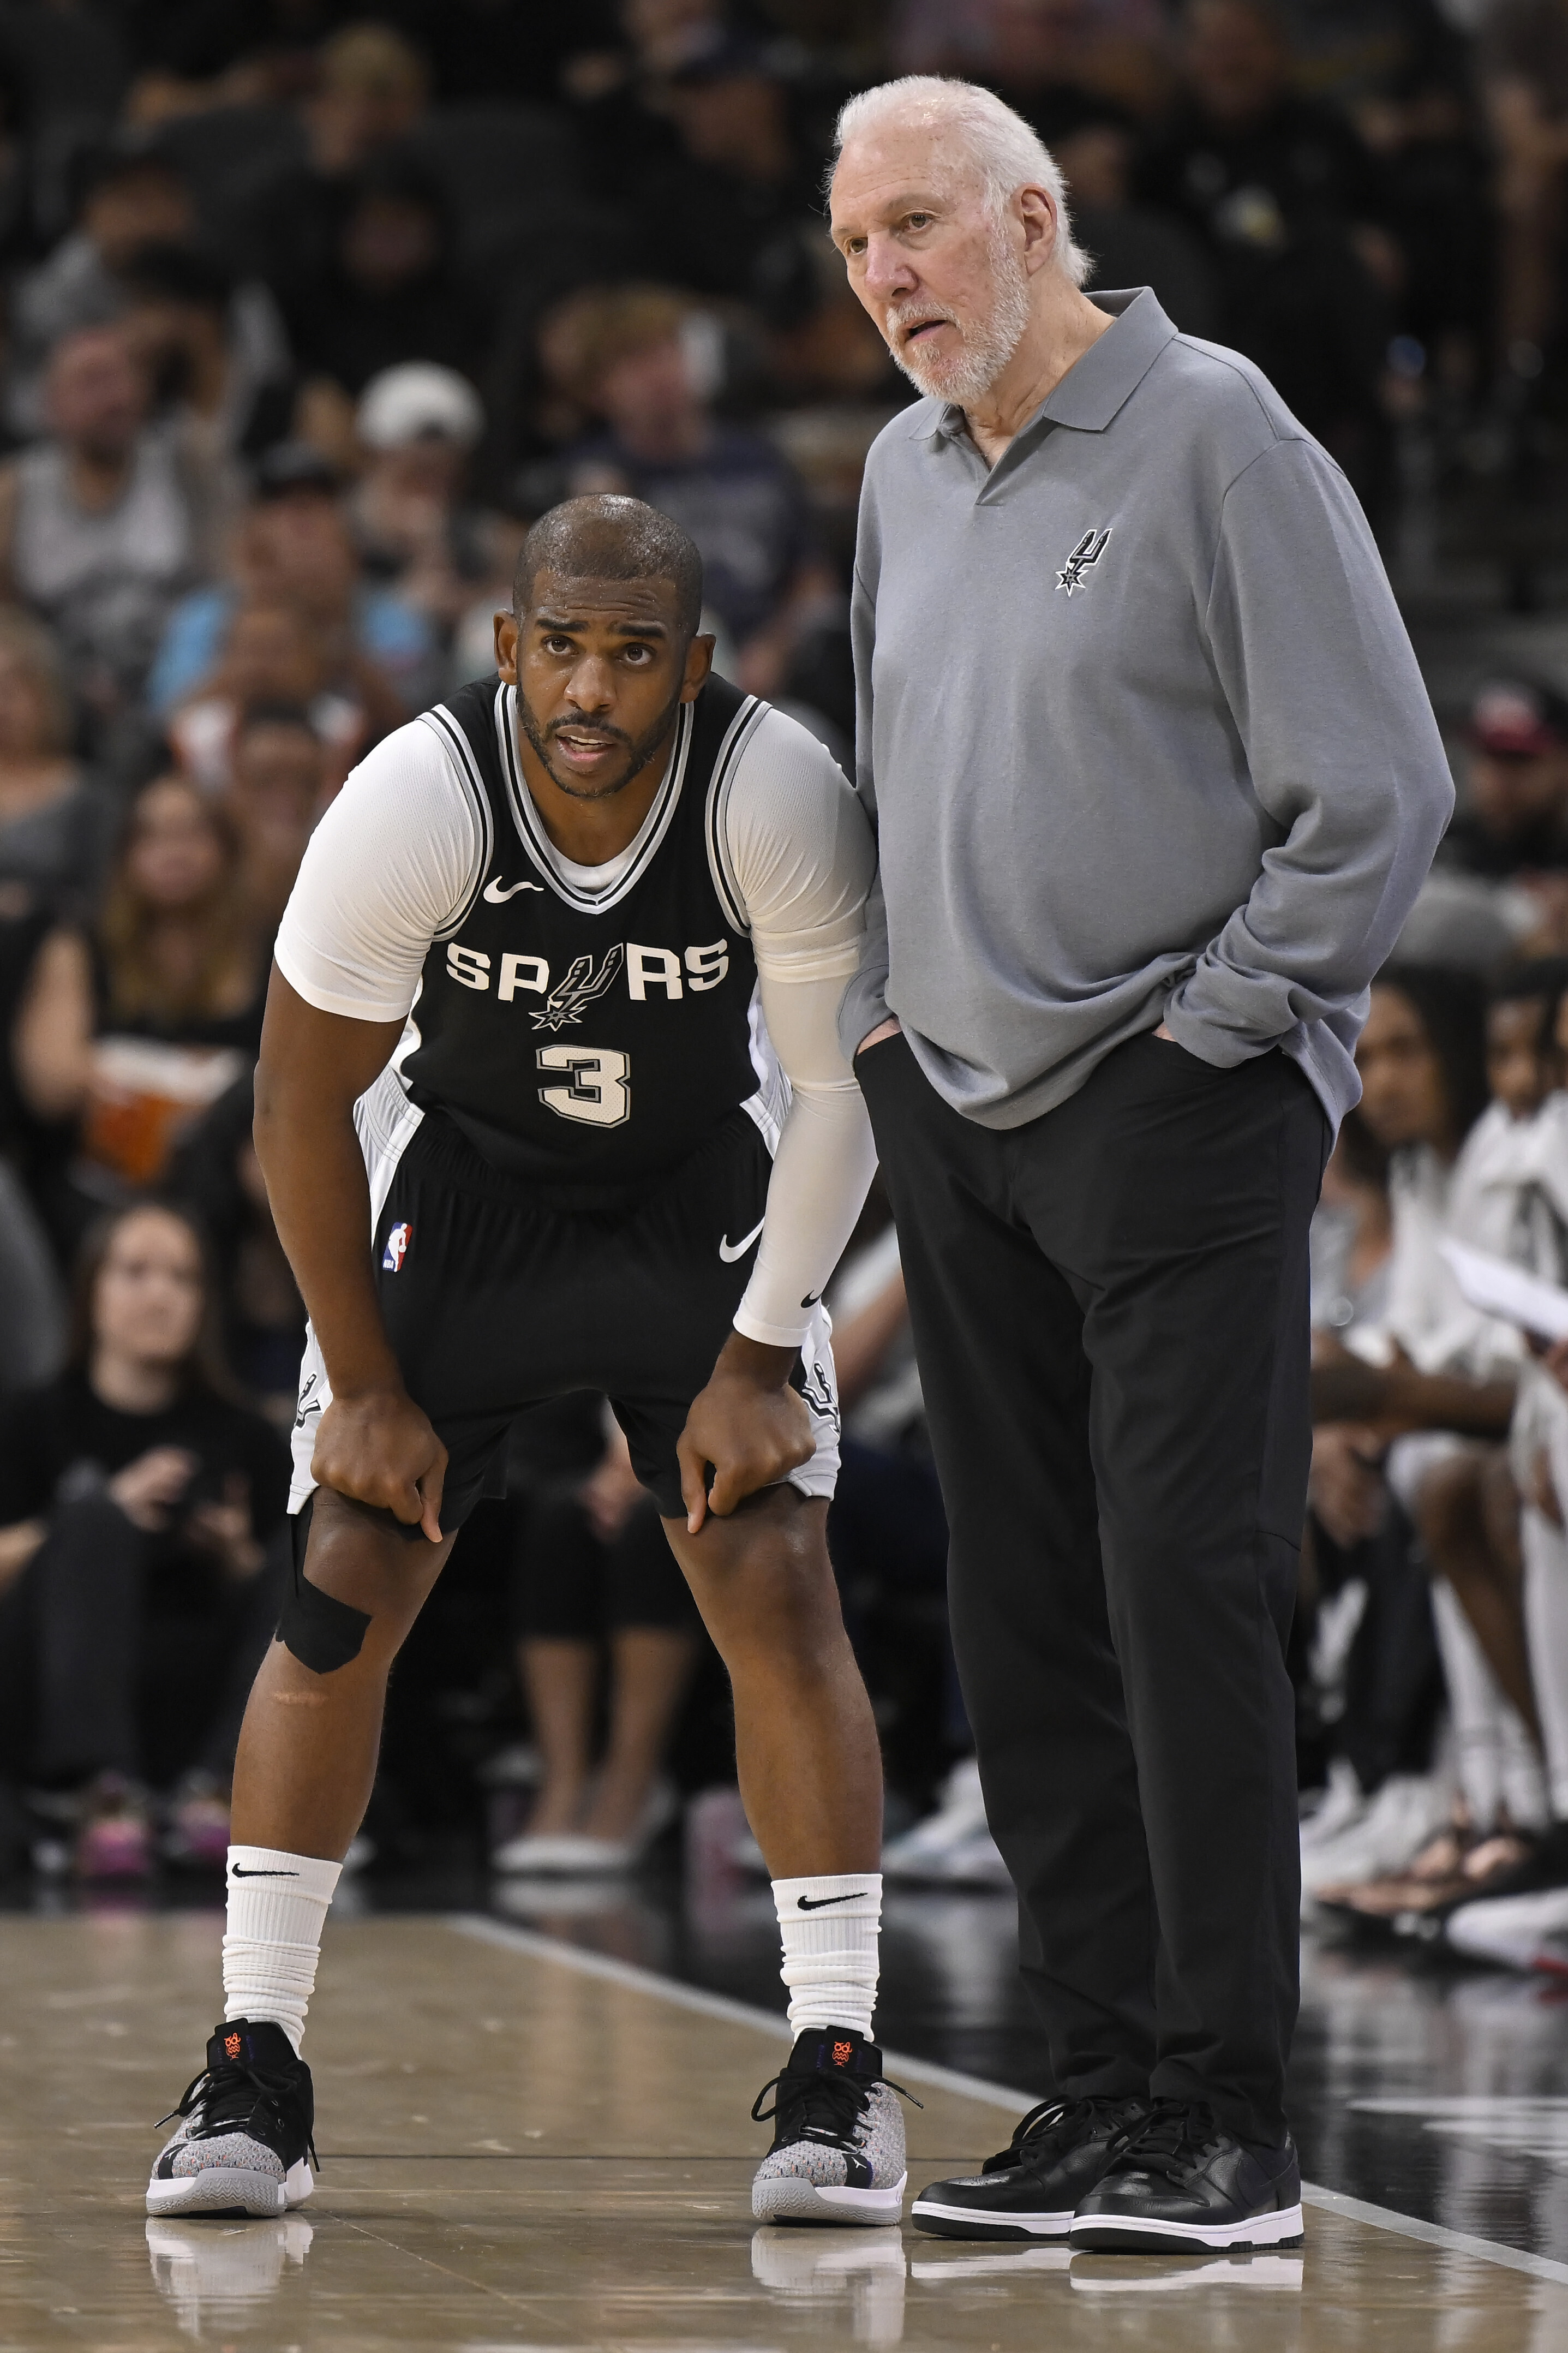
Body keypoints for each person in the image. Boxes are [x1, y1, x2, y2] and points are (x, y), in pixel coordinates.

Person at [827, 75, 1452, 2253]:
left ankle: (1230, 2118)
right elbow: (900, 777)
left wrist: (1215, 1025)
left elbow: (1374, 786)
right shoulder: (899, 479)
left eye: (916, 225)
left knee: (1180, 1583)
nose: (887, 276)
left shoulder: (1216, 430)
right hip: (964, 1108)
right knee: (1025, 1608)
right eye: (853, 250)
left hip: (1172, 1094)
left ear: (1028, 217)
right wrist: (886, 1020)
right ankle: (1096, 2088)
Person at [145, 493, 902, 2232]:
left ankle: (842, 2074)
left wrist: (758, 1353)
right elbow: (294, 1098)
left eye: (634, 652)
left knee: (772, 1570)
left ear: (692, 668)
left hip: (694, 1195)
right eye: (561, 642)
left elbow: (840, 1099)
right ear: (507, 648)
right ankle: (256, 2063)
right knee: (343, 1568)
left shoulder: (773, 788)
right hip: (468, 1199)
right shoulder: (414, 795)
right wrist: (368, 1384)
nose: (592, 684)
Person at [0, 1199, 287, 1878]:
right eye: (134, 1272)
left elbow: (279, 1595)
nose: (160, 1294)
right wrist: (97, 1515)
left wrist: (233, 1554)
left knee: (311, 1559)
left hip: (196, 1680)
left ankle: (220, 1788)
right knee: (94, 1515)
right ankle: (100, 1792)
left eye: (182, 1278)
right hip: (60, 1680)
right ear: (91, 1291)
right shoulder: (33, 1419)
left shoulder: (243, 1433)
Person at [552, 285, 840, 697]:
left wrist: (776, 647)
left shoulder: (758, 459)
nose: (657, 375)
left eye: (668, 351)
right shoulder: (597, 476)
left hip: (777, 664)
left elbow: (813, 582)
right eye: (634, 362)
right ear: (600, 390)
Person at [494, 1408, 702, 1874]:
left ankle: (633, 1783)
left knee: (658, 1521)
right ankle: (565, 1781)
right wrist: (623, 1461)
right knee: (561, 1515)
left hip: (762, 1449)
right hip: (646, 1443)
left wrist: (662, 1462)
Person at [0, 325, 229, 721]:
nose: (114, 399)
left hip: (181, 687)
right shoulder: (17, 493)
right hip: (63, 702)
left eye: (122, 378)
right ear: (50, 405)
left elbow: (230, 587)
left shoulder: (188, 467)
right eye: (91, 382)